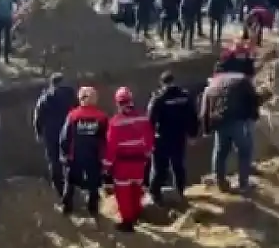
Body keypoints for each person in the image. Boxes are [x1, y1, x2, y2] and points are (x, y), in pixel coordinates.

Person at [200, 62, 259, 194]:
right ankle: (243, 184)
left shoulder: (212, 84)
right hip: (237, 119)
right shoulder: (242, 79)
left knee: (220, 151)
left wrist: (206, 130)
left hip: (218, 120)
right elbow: (253, 98)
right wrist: (253, 116)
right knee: (244, 150)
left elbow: (204, 110)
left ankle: (220, 182)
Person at [104, 87, 154, 232]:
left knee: (123, 192)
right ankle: (137, 213)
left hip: (122, 164)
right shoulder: (143, 117)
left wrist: (106, 166)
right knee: (136, 189)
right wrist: (147, 155)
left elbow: (111, 147)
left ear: (118, 103)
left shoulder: (115, 122)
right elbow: (149, 140)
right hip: (139, 163)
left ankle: (127, 222)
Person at [146, 72, 198, 202]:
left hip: (161, 138)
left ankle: (155, 194)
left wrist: (148, 138)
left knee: (159, 169)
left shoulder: (158, 98)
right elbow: (193, 116)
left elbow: (150, 120)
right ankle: (180, 192)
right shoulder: (185, 96)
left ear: (162, 83)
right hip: (179, 136)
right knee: (178, 166)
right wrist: (192, 134)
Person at [59, 86, 108, 217]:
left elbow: (65, 136)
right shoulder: (102, 117)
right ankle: (93, 208)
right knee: (93, 183)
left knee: (70, 182)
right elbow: (106, 138)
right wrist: (104, 157)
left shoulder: (73, 115)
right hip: (94, 155)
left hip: (75, 155)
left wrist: (64, 153)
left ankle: (66, 206)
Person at [32, 73, 77, 197]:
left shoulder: (45, 96)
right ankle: (71, 189)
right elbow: (78, 111)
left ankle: (59, 190)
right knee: (69, 159)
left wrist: (38, 132)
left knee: (54, 161)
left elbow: (38, 115)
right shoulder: (71, 94)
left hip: (51, 133)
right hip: (69, 131)